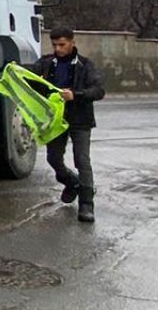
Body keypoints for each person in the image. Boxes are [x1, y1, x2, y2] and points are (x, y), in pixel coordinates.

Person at [33, 28, 105, 223]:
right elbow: (30, 79)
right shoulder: (46, 63)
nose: (58, 49)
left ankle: (87, 204)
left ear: (72, 42)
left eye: (62, 44)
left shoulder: (85, 64)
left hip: (80, 120)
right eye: (55, 45)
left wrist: (76, 95)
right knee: (53, 158)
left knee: (82, 160)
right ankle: (71, 182)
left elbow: (98, 90)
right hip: (55, 121)